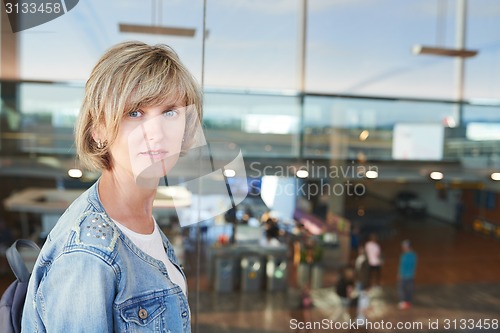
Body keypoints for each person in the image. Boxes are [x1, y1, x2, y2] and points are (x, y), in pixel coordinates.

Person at [21, 41, 202, 332]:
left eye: (170, 112)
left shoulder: (140, 221)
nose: (156, 132)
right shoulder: (87, 256)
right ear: (99, 130)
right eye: (135, 113)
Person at [398, 239, 418, 310]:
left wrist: (400, 274)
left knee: (402, 289)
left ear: (407, 247)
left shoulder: (404, 256)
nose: (403, 248)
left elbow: (402, 266)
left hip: (404, 276)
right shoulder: (414, 255)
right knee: (409, 289)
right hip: (411, 275)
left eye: (404, 247)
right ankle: (408, 302)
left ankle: (404, 302)